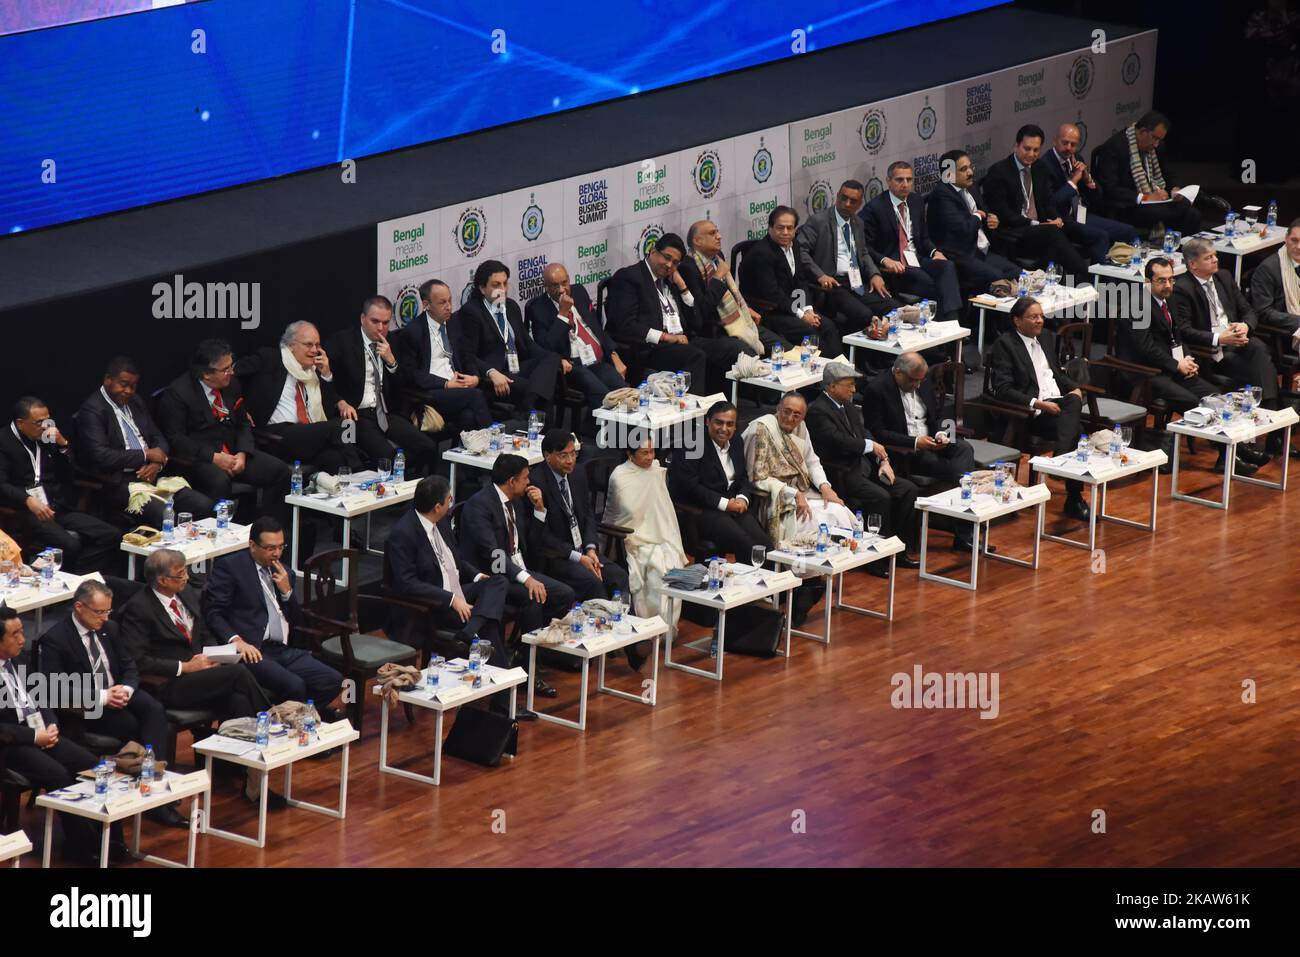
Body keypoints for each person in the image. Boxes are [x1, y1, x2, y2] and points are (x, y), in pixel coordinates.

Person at [37, 579, 187, 827]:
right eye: (99, 612)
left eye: (108, 611)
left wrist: (126, 689)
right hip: (88, 705)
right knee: (132, 725)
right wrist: (103, 697)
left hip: (119, 691)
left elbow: (129, 665)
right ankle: (144, 789)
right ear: (79, 607)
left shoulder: (111, 629)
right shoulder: (56, 639)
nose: (105, 617)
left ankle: (152, 784)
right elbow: (55, 689)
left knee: (155, 711)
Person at [0, 607, 113, 864]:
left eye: (21, 632)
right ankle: (83, 845)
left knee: (93, 765)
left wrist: (50, 724)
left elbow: (40, 697)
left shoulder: (19, 658)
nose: (22, 639)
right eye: (15, 634)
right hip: (11, 745)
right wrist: (33, 737)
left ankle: (109, 840)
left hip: (39, 732)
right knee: (59, 776)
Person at [457, 453, 574, 696]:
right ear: (511, 481)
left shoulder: (517, 500)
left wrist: (540, 510)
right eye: (525, 478)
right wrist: (525, 578)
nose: (529, 482)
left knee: (564, 594)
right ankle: (526, 671)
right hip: (493, 577)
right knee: (533, 600)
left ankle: (521, 654)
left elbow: (530, 543)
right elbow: (494, 554)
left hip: (520, 569)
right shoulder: (480, 505)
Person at [528, 432, 645, 670]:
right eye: (564, 456)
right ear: (547, 456)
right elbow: (542, 537)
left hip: (584, 550)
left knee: (619, 576)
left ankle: (628, 643)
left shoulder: (578, 474)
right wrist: (578, 557)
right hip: (557, 557)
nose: (570, 460)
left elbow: (589, 516)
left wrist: (591, 549)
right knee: (594, 583)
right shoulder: (536, 481)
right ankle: (598, 644)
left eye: (573, 454)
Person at [201, 516, 344, 708]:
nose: (277, 553)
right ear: (252, 545)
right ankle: (283, 723)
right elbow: (214, 612)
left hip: (283, 649)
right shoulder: (231, 567)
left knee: (332, 680)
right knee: (295, 685)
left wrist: (287, 592)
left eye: (281, 547)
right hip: (253, 649)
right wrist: (237, 641)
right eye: (270, 548)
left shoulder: (284, 572)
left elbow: (297, 620)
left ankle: (293, 718)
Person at [116, 548, 273, 721]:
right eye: (180, 574)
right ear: (162, 580)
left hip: (201, 675)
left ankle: (249, 742)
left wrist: (217, 655)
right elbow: (138, 660)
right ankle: (272, 721)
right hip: (169, 683)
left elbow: (203, 632)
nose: (187, 577)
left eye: (186, 571)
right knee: (238, 673)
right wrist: (185, 667)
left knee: (239, 700)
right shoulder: (139, 608)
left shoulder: (186, 592)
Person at [74, 355, 215, 530]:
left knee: (203, 505)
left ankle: (192, 553)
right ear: (108, 380)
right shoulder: (93, 410)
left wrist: (157, 462)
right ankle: (163, 556)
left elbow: (158, 437)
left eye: (133, 386)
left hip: (152, 474)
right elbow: (101, 455)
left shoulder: (135, 401)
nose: (128, 391)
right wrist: (145, 455)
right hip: (118, 482)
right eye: (123, 384)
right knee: (164, 514)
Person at [1172, 237, 1282, 457]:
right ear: (1193, 264)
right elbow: (1184, 330)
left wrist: (1245, 325)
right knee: (1256, 363)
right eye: (1208, 257)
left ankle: (1269, 428)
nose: (1215, 260)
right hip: (1212, 352)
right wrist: (1219, 339)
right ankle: (1272, 427)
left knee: (1259, 350)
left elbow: (1248, 310)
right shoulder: (1182, 288)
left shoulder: (1223, 277)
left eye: (1215, 255)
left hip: (1238, 341)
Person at [384, 475, 509, 664]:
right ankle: (503, 682)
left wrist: (476, 575)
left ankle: (469, 630)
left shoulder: (440, 521)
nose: (451, 502)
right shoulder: (403, 534)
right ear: (437, 506)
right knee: (489, 624)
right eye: (449, 499)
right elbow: (407, 584)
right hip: (433, 604)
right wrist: (451, 600)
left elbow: (454, 558)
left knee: (498, 581)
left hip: (457, 590)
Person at [1116, 258, 1226, 471]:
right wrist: (1176, 365)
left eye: (1171, 280)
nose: (1167, 285)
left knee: (1214, 397)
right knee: (1193, 402)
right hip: (1144, 374)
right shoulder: (1137, 306)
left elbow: (1178, 336)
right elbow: (1146, 349)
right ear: (1148, 282)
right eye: (1161, 281)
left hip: (1170, 368)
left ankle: (1227, 454)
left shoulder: (1169, 299)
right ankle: (1224, 452)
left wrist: (1187, 359)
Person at [805, 364, 921, 562]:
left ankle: (900, 549)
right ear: (831, 386)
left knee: (908, 489)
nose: (854, 390)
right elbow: (838, 441)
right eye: (849, 385)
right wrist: (870, 446)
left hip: (865, 468)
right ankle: (877, 558)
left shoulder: (847, 405)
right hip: (842, 473)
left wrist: (883, 459)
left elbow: (864, 435)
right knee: (881, 497)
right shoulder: (818, 411)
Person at [987, 297, 1090, 519]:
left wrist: (1074, 388)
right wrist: (1037, 403)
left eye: (1041, 316)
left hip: (1056, 403)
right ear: (1017, 320)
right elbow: (1002, 389)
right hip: (1030, 413)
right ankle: (1074, 498)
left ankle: (1061, 460)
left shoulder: (1046, 338)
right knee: (1077, 430)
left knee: (1073, 403)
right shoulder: (1005, 345)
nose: (1040, 321)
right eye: (1033, 317)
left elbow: (1056, 372)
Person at [157, 338, 291, 508]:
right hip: (200, 459)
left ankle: (263, 529)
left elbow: (243, 422)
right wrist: (213, 458)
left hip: (234, 452)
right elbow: (176, 439)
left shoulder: (231, 384)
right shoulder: (178, 394)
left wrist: (243, 453)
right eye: (226, 369)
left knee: (279, 471)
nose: (232, 372)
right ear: (207, 373)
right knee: (219, 482)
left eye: (231, 366)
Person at [0, 396, 119, 572]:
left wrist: (63, 445)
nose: (45, 426)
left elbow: (68, 474)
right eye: (38, 422)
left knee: (112, 535)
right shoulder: (3, 441)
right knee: (70, 545)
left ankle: (79, 575)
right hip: (26, 511)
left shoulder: (47, 438)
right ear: (20, 423)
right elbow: (2, 484)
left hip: (57, 506)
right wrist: (28, 500)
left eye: (47, 420)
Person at [325, 295, 438, 474]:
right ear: (363, 319)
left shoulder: (393, 341)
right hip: (357, 415)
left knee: (429, 447)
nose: (380, 328)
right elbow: (324, 380)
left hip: (386, 412)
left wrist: (392, 362)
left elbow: (405, 382)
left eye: (385, 323)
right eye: (375, 321)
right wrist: (340, 401)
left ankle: (418, 492)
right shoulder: (343, 342)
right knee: (388, 457)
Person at [237, 321, 362, 475]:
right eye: (309, 344)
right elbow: (231, 375)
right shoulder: (270, 358)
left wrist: (326, 375)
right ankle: (359, 475)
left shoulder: (314, 371)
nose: (315, 350)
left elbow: (328, 411)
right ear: (290, 345)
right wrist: (241, 409)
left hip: (305, 435)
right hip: (276, 435)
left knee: (335, 459)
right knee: (342, 425)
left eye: (317, 345)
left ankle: (340, 495)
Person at [740, 392, 858, 550]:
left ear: (803, 417)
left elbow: (812, 461)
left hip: (802, 492)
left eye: (796, 415)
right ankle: (801, 569)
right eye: (786, 411)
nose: (790, 418)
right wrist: (793, 494)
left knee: (838, 511)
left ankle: (832, 562)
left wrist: (825, 487)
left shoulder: (801, 427)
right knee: (810, 520)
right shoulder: (760, 429)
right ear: (778, 409)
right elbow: (755, 479)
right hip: (774, 498)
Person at [979, 124, 1090, 283]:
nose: (1031, 154)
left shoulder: (1040, 167)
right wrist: (1036, 223)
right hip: (1014, 232)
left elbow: (1048, 201)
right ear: (1016, 146)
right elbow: (1003, 214)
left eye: (1036, 150)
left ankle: (1060, 288)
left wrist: (1055, 218)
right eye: (1027, 148)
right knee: (1053, 235)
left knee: (1057, 236)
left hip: (1040, 230)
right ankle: (1083, 276)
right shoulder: (999, 172)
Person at [737, 205, 844, 360]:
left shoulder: (794, 246)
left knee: (827, 325)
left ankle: (840, 370)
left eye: (790, 228)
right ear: (770, 228)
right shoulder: (761, 254)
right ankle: (824, 377)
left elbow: (801, 281)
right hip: (769, 311)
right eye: (780, 228)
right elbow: (773, 295)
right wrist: (801, 315)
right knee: (811, 333)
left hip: (791, 306)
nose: (785, 233)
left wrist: (808, 309)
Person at [864, 351, 979, 495]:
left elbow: (939, 414)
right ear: (898, 372)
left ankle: (962, 497)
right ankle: (962, 502)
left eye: (920, 380)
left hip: (932, 439)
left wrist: (942, 433)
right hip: (907, 450)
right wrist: (916, 442)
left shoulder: (922, 381)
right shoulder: (877, 389)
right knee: (955, 468)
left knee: (964, 448)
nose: (918, 385)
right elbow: (878, 432)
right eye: (913, 380)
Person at [603, 234, 709, 390]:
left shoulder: (670, 280)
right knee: (696, 356)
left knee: (721, 350)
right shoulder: (629, 277)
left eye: (675, 263)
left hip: (681, 339)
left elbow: (697, 322)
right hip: (648, 349)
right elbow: (624, 326)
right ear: (653, 252)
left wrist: (682, 287)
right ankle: (692, 412)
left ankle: (719, 410)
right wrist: (666, 337)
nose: (669, 265)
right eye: (666, 257)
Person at [457, 259, 562, 416]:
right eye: (496, 285)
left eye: (505, 284)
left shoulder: (511, 306)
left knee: (552, 359)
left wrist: (554, 360)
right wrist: (491, 372)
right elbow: (468, 355)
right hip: (497, 374)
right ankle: (542, 427)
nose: (502, 290)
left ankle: (528, 405)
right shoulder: (471, 312)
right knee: (543, 389)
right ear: (482, 288)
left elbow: (528, 344)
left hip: (517, 366)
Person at [795, 179, 901, 335]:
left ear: (859, 204)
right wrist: (820, 275)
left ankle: (887, 354)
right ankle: (860, 356)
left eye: (853, 201)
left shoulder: (858, 222)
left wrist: (875, 273)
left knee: (893, 308)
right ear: (837, 196)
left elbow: (863, 252)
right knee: (864, 315)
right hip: (833, 284)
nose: (847, 204)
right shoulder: (818, 221)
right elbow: (800, 251)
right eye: (843, 198)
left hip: (856, 281)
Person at [667, 401, 771, 559]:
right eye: (719, 422)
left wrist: (743, 499)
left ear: (735, 426)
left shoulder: (736, 442)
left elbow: (742, 478)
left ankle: (770, 582)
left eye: (730, 424)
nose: (724, 429)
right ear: (707, 422)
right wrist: (725, 504)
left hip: (734, 507)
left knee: (765, 546)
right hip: (703, 510)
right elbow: (690, 487)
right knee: (746, 545)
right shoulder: (691, 445)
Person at [860, 161, 962, 322]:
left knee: (947, 266)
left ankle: (951, 323)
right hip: (896, 266)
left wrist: (935, 252)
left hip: (916, 258)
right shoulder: (875, 209)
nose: (905, 184)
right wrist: (884, 260)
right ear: (888, 181)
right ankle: (951, 327)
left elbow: (924, 238)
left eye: (909, 180)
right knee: (935, 286)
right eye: (900, 180)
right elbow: (865, 246)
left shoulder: (916, 201)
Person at [602, 437, 686, 625]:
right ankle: (648, 626)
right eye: (644, 453)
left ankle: (666, 628)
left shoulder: (656, 472)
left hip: (661, 536)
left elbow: (663, 510)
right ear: (630, 455)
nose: (650, 457)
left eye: (652, 451)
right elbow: (621, 513)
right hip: (631, 539)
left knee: (672, 564)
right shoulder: (620, 476)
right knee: (655, 570)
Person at [392, 279, 491, 432]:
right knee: (475, 396)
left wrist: (473, 377)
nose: (449, 307)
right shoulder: (413, 332)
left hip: (457, 386)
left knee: (468, 416)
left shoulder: (454, 324)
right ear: (426, 305)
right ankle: (492, 442)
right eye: (442, 302)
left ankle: (458, 454)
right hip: (432, 392)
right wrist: (445, 383)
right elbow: (411, 374)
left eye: (450, 300)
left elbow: (467, 356)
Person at [525, 263, 627, 411]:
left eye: (564, 283)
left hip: (598, 359)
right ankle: (603, 430)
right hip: (572, 365)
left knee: (623, 392)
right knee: (605, 398)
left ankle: (618, 429)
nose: (561, 290)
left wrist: (614, 355)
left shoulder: (579, 291)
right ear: (545, 286)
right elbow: (546, 346)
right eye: (554, 285)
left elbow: (597, 328)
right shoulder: (538, 309)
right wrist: (562, 315)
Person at [680, 219, 787, 358]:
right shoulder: (688, 267)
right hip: (716, 330)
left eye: (717, 231)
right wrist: (717, 277)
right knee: (750, 357)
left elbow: (729, 295)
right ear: (697, 241)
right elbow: (702, 311)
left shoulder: (718, 258)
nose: (719, 236)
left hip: (738, 319)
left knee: (784, 349)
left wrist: (745, 309)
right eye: (712, 233)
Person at [926, 150, 1021, 296]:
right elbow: (964, 228)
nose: (970, 172)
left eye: (970, 167)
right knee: (996, 277)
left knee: (1015, 272)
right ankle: (984, 318)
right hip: (959, 256)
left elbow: (985, 213)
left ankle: (1013, 317)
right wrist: (977, 216)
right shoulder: (941, 196)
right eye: (963, 170)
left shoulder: (970, 186)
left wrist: (992, 219)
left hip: (980, 251)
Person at [1091, 110, 1202, 234]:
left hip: (1158, 198)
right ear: (1142, 131)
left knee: (1193, 214)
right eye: (1154, 138)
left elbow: (1169, 172)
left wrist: (1175, 189)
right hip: (1129, 205)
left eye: (1159, 140)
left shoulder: (1157, 146)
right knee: (1167, 212)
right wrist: (1146, 197)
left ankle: (1186, 252)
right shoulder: (1114, 148)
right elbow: (1110, 188)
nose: (1156, 144)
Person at [1039, 123, 1134, 263]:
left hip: (1082, 214)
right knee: (1100, 236)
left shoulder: (1077, 159)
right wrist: (1073, 181)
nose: (1068, 148)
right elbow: (1052, 202)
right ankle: (1100, 282)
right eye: (1065, 143)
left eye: (1073, 144)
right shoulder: (1044, 165)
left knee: (1128, 231)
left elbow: (1097, 198)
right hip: (1063, 220)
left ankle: (1126, 279)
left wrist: (1087, 179)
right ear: (1055, 140)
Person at [1248, 217, 1300, 341]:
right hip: (1286, 331)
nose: (1299, 246)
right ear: (1286, 239)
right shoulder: (1268, 269)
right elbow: (1264, 311)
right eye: (1294, 240)